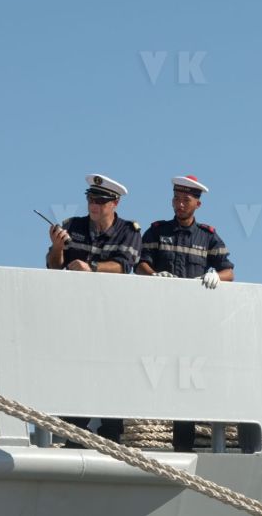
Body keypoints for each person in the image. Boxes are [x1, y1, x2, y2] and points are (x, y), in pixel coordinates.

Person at [135, 175, 235, 452]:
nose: (180, 204)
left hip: (192, 323)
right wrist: (154, 275)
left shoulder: (208, 236)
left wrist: (216, 275)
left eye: (186, 200)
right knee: (150, 374)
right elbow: (140, 264)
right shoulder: (156, 232)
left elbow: (229, 271)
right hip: (159, 318)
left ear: (197, 204)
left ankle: (183, 446)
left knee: (185, 381)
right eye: (176, 199)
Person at [46, 174, 142, 447]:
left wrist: (93, 268)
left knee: (112, 376)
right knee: (76, 375)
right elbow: (54, 266)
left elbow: (125, 266)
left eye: (100, 201)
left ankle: (111, 439)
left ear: (115, 203)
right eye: (90, 199)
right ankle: (73, 437)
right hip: (75, 317)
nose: (93, 205)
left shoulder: (129, 231)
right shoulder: (71, 226)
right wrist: (57, 247)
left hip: (111, 318)